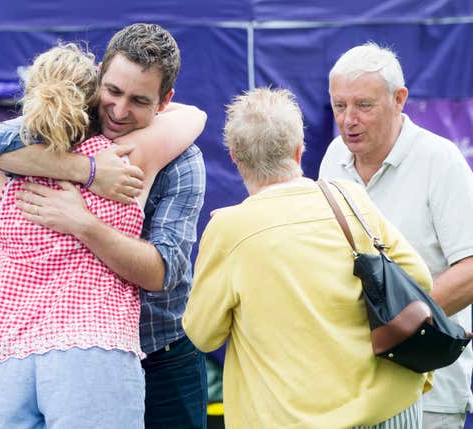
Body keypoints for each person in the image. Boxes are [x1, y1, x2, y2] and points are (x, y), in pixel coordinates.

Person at [0, 24, 208, 428]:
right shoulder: (61, 127)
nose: (118, 110)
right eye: (112, 91)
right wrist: (90, 171)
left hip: (161, 346)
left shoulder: (182, 161)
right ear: (98, 75)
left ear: (165, 101)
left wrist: (83, 223)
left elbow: (162, 272)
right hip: (58, 340)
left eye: (138, 100)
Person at [182, 87, 433, 428]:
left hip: (289, 418)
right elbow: (419, 278)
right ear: (300, 151)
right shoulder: (349, 196)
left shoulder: (228, 229)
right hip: (389, 405)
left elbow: (202, 334)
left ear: (234, 157)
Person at [319, 42, 473, 429]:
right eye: (339, 106)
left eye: (363, 105)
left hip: (428, 390)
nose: (348, 119)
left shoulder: (441, 161)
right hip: (349, 390)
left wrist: (395, 327)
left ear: (399, 99)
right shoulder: (333, 156)